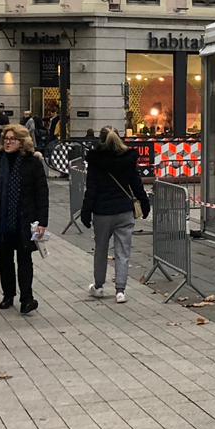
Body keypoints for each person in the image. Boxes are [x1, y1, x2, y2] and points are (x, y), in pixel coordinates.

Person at [0, 124, 49, 313]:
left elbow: (42, 192)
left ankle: (27, 298)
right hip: (1, 217)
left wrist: (43, 221)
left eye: (13, 139)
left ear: (22, 142)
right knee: (5, 258)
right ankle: (8, 294)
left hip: (25, 218)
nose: (8, 142)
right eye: (6, 139)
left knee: (25, 258)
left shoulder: (32, 162)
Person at [81, 126, 149, 304]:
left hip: (102, 211)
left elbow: (91, 189)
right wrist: (145, 203)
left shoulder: (96, 161)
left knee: (101, 250)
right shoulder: (127, 159)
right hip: (124, 211)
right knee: (123, 252)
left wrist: (86, 212)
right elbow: (136, 184)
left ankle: (99, 286)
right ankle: (121, 290)